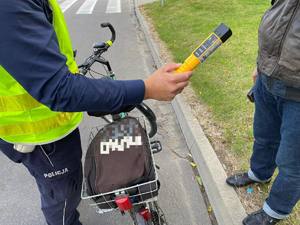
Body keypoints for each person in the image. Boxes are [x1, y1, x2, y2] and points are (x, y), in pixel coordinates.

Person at [0, 0, 192, 224]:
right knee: (62, 198)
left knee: (67, 185)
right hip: (37, 135)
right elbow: (58, 89)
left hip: (50, 126)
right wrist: (146, 88)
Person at [226, 0, 300, 224]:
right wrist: (260, 65)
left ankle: (275, 210)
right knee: (264, 136)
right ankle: (259, 173)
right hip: (267, 80)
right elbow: (277, 19)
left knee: (291, 161)